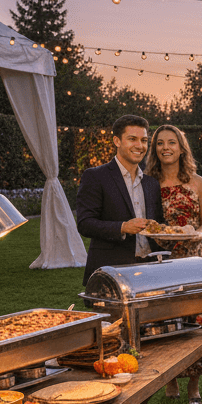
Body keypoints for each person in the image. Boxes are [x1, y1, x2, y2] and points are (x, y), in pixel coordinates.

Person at [145, 125, 202, 404]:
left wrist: (200, 233)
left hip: (193, 258)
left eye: (171, 142)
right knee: (164, 320)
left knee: (195, 320)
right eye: (160, 143)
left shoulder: (197, 182)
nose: (165, 148)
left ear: (182, 148)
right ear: (155, 149)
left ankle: (194, 384)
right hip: (160, 260)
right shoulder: (148, 182)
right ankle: (170, 379)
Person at [75, 115, 163, 285]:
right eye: (132, 139)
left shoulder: (151, 183)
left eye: (144, 140)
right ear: (117, 141)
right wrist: (122, 227)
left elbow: (158, 224)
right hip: (112, 272)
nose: (140, 146)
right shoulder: (95, 176)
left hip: (150, 271)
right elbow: (85, 223)